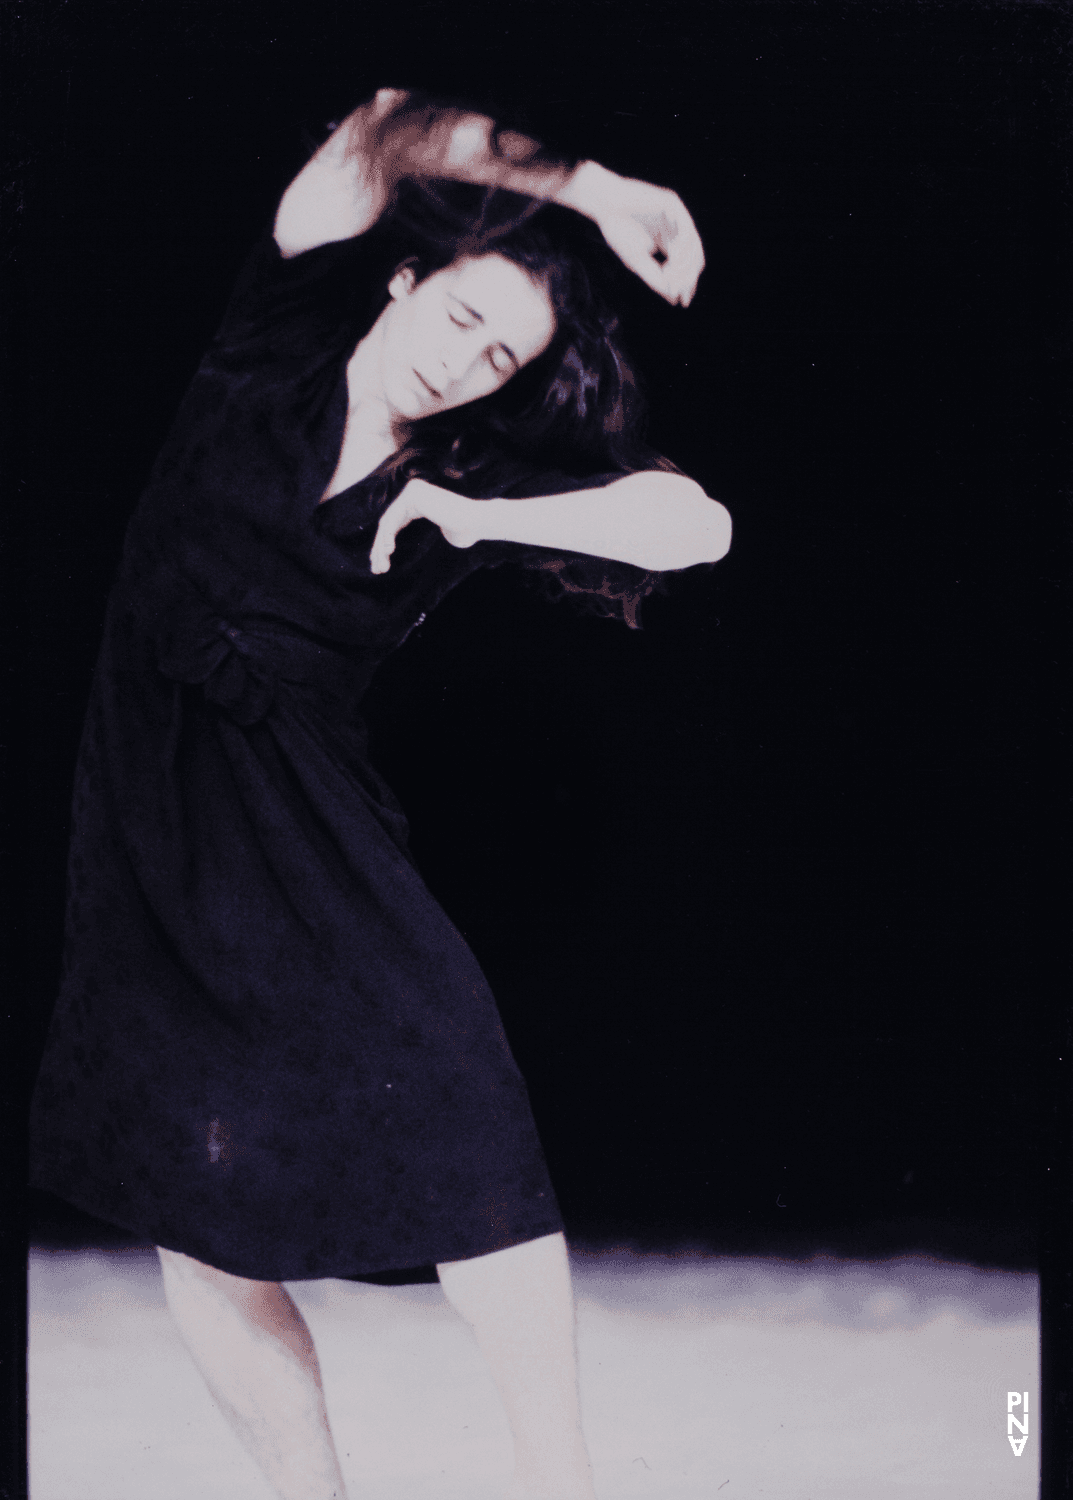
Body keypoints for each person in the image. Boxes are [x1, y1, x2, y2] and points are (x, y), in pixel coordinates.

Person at [29, 86, 731, 1500]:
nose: (467, 363)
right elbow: (390, 126)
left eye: (500, 357)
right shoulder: (274, 333)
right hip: (150, 820)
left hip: (315, 836)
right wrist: (593, 188)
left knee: (476, 1135)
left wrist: (489, 516)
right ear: (405, 278)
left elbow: (697, 524)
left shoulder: (467, 470)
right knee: (197, 1215)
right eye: (460, 318)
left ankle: (564, 1480)